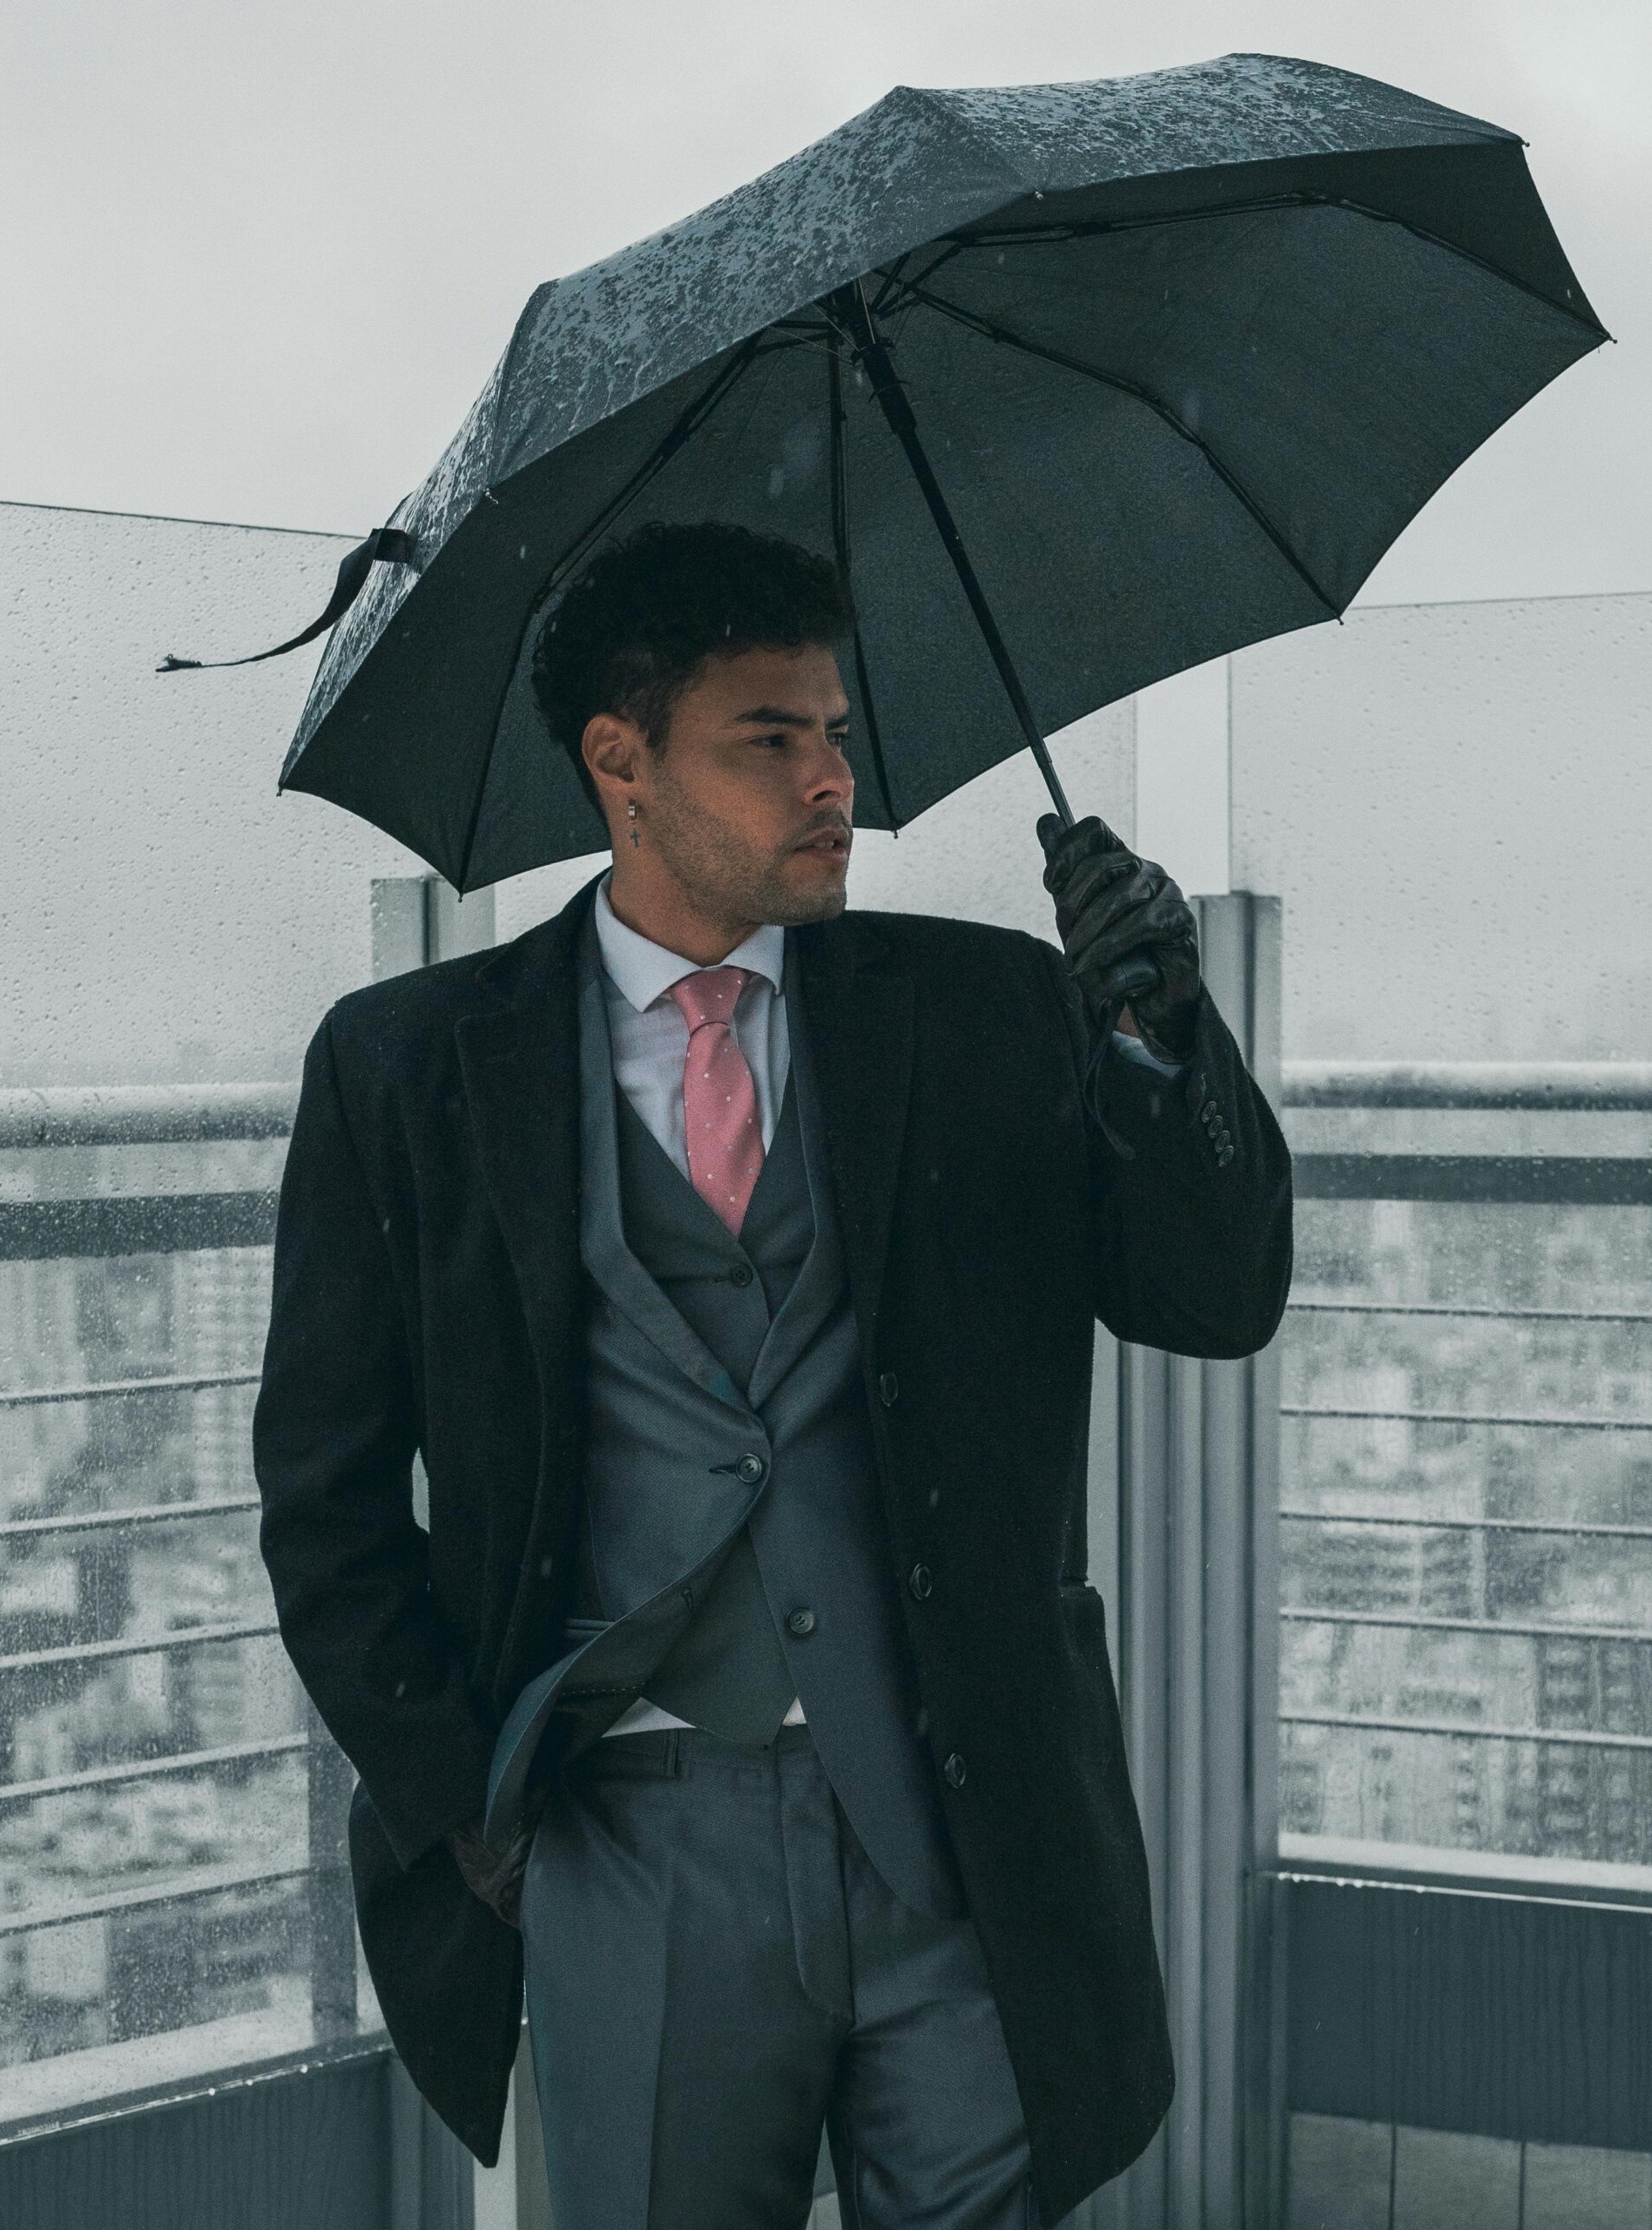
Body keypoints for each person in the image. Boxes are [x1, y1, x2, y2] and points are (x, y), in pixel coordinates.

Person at [252, 519, 1291, 2229]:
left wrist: (1158, 1033)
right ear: (621, 761)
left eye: (834, 732)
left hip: (958, 1819)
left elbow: (1211, 1290)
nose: (832, 782)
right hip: (626, 1834)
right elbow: (325, 1485)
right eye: (768, 737)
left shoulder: (985, 1007)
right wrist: (464, 1799)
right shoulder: (415, 1064)